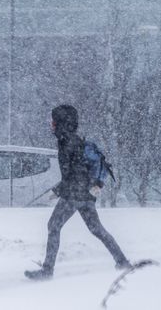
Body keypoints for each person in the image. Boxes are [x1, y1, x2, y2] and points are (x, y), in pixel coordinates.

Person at [25, 104, 130, 280]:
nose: (51, 124)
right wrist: (62, 189)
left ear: (61, 123)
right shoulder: (73, 141)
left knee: (53, 226)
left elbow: (74, 173)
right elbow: (77, 171)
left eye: (54, 121)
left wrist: (61, 190)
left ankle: (47, 270)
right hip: (85, 194)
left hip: (74, 194)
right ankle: (122, 261)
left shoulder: (68, 142)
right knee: (96, 229)